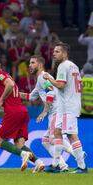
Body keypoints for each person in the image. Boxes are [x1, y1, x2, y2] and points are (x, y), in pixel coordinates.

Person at [0, 55, 42, 172]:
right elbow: (9, 96)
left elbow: (8, 86)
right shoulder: (7, 76)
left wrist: (0, 100)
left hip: (13, 112)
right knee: (19, 144)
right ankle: (39, 163)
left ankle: (23, 154)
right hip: (23, 112)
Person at [19, 55, 74, 173]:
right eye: (29, 63)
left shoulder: (43, 78)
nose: (30, 65)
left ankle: (77, 153)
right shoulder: (39, 80)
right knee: (45, 140)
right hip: (55, 111)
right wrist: (13, 93)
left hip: (56, 110)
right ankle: (62, 165)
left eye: (33, 63)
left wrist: (44, 112)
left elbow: (50, 93)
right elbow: (31, 97)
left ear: (40, 64)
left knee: (54, 138)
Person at [43, 42, 88, 173]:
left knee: (71, 135)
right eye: (54, 51)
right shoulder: (74, 66)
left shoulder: (63, 66)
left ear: (65, 53)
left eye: (57, 51)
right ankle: (56, 165)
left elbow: (61, 85)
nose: (54, 53)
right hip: (65, 105)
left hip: (68, 106)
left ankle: (82, 166)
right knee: (57, 132)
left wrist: (49, 78)